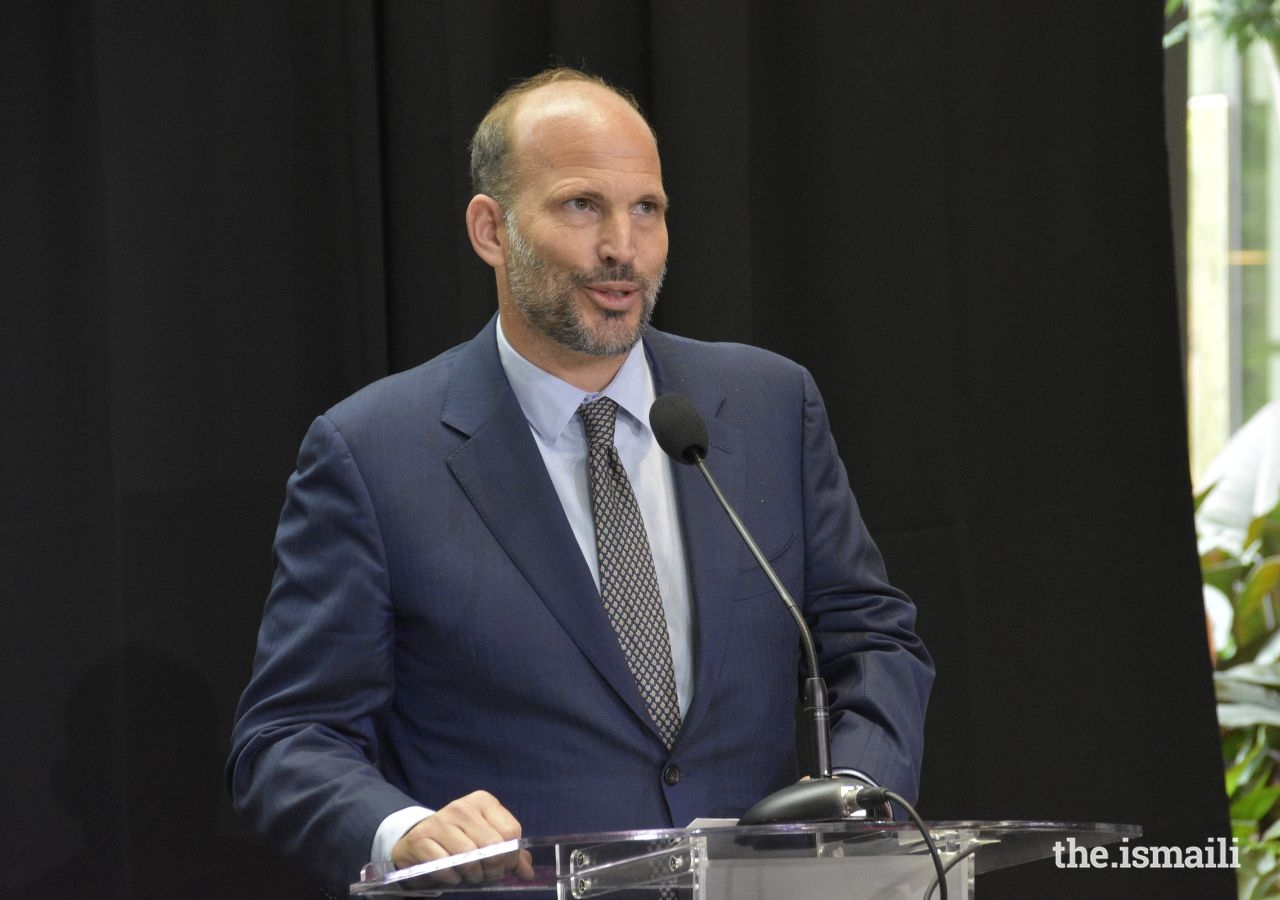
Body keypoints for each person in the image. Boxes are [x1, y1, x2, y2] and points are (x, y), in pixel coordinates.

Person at [227, 66, 934, 897]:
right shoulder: (373, 452)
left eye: (648, 209)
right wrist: (405, 828)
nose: (622, 249)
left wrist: (860, 801)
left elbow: (873, 640)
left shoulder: (768, 405)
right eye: (581, 205)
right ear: (491, 230)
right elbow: (287, 737)